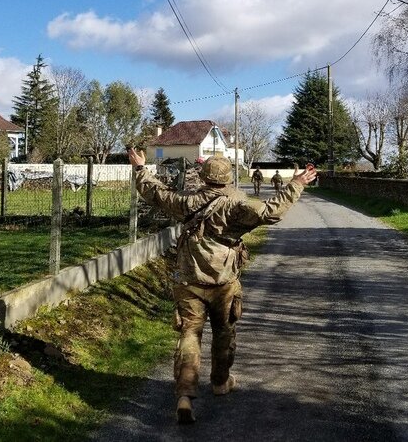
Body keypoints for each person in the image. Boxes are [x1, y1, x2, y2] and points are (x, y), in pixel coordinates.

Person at [127, 148, 316, 424]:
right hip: (224, 282)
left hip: (189, 281)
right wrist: (296, 184)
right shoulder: (238, 204)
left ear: (203, 177)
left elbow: (156, 193)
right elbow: (271, 212)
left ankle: (184, 395)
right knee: (224, 332)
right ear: (228, 178)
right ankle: (220, 381)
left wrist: (140, 168)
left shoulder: (187, 201)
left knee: (190, 333)